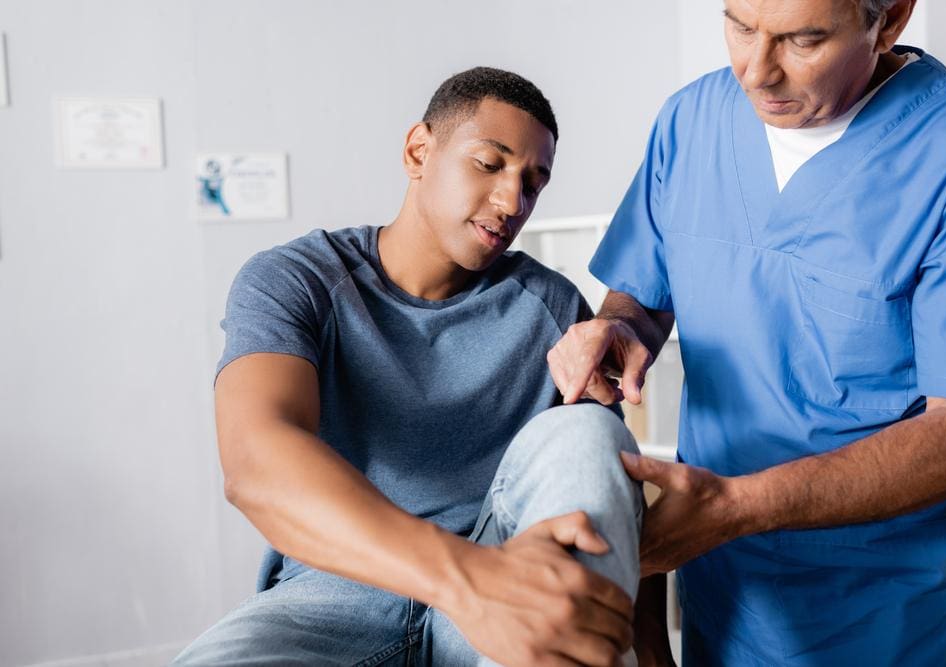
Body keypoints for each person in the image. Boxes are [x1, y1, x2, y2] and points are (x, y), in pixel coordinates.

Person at [547, 1, 946, 664]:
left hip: (882, 617)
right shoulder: (691, 121)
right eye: (739, 24)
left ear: (892, 18)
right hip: (722, 597)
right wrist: (616, 327)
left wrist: (738, 505)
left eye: (802, 39)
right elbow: (642, 297)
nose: (755, 71)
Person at [174, 67, 644, 666]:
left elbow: (609, 485)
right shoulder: (298, 280)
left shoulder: (551, 305)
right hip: (338, 590)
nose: (512, 201)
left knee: (591, 430)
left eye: (533, 182)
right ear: (419, 151)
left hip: (509, 575)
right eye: (489, 163)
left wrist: (650, 648)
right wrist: (466, 578)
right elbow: (256, 462)